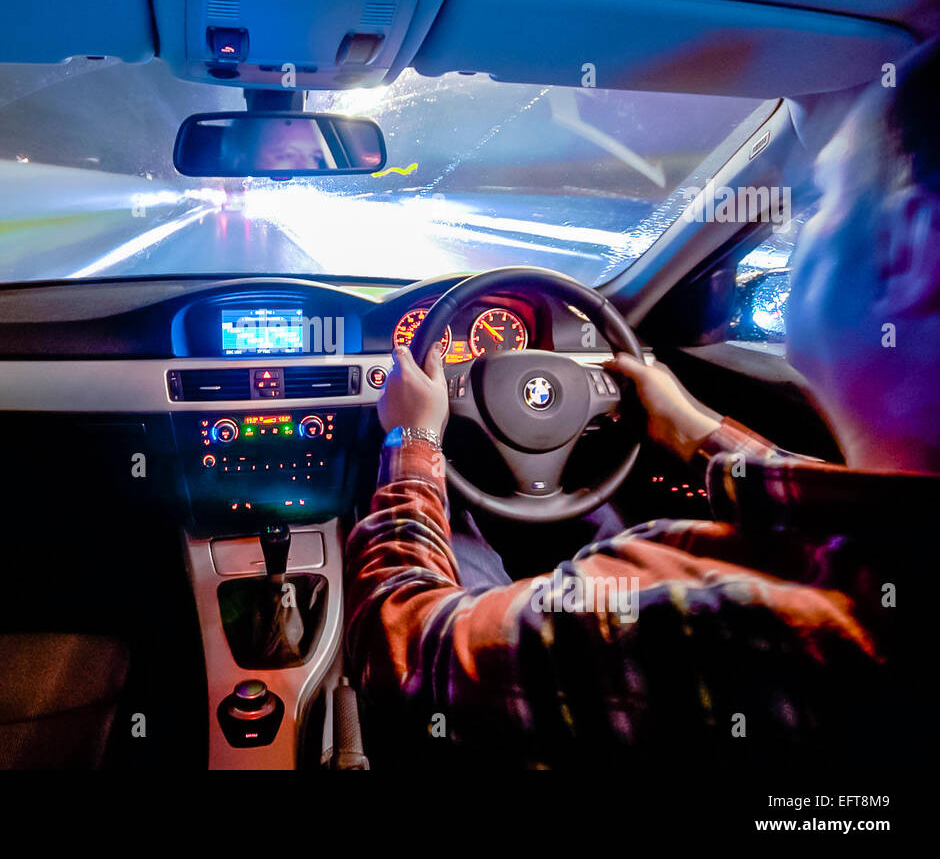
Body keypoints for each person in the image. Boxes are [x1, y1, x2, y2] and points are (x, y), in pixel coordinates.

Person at [345, 41, 940, 767]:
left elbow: (407, 661)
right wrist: (693, 429)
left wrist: (414, 439)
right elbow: (848, 510)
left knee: (466, 539)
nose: (797, 229)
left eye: (819, 204)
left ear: (913, 251)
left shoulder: (717, 622)